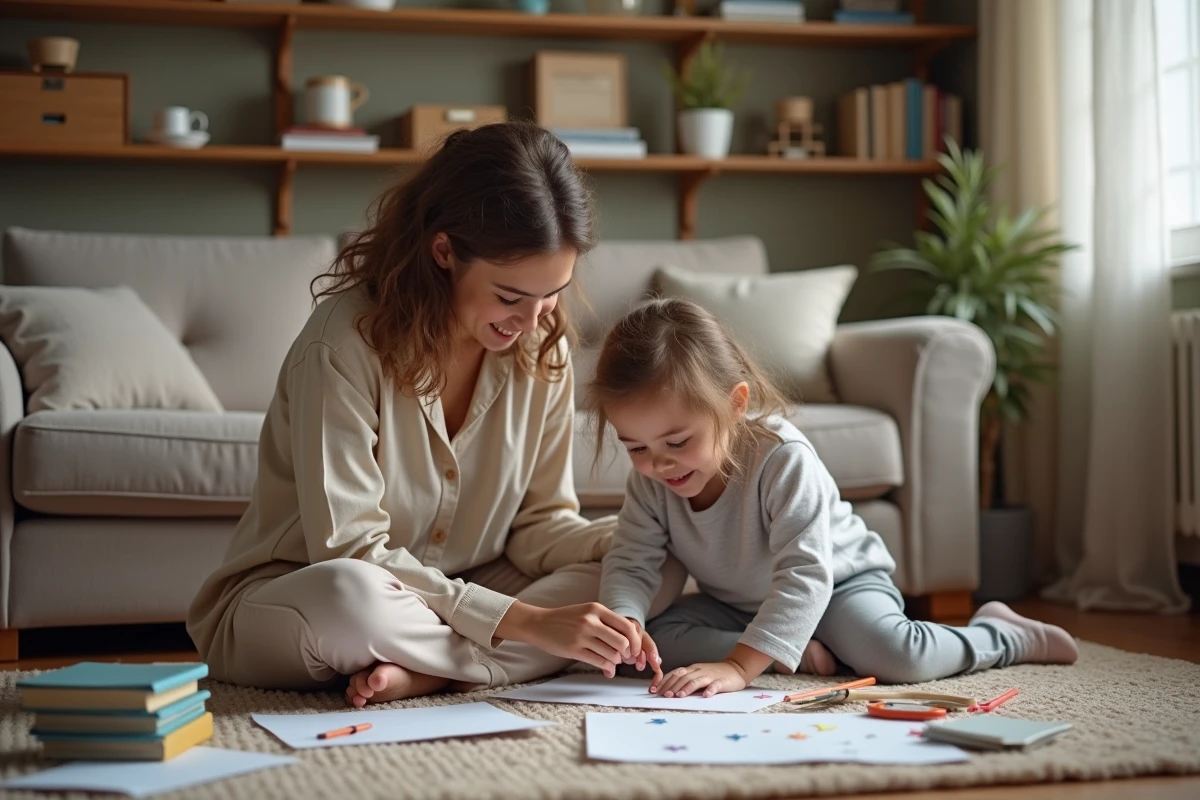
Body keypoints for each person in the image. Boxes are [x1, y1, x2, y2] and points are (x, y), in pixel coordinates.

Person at [186, 122, 683, 707]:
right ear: (444, 250)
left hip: (468, 588)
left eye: (552, 293)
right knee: (353, 599)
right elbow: (350, 550)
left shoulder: (540, 343)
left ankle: (436, 673)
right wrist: (523, 623)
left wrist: (637, 537)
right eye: (509, 296)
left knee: (657, 564)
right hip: (307, 592)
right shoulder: (342, 345)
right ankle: (487, 664)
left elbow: (539, 525)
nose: (534, 320)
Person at [587, 298, 1079, 699]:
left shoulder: (781, 458)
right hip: (738, 604)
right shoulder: (651, 480)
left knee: (897, 656)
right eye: (636, 447)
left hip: (839, 586)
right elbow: (633, 560)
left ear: (734, 405)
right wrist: (625, 622)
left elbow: (806, 574)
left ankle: (999, 634)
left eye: (676, 442)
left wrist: (740, 667)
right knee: (654, 644)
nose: (658, 464)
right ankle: (791, 649)